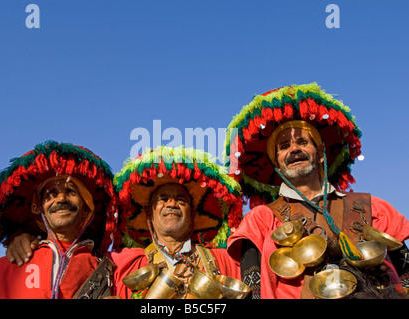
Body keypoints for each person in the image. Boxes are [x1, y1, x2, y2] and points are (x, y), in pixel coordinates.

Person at [223, 83, 409, 299]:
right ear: (277, 163)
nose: (294, 149)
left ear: (321, 154)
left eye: (302, 142)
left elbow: (405, 272)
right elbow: (252, 290)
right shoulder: (260, 220)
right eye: (283, 147)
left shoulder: (374, 207)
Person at [0, 140, 119, 299]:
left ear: (86, 210)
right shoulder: (7, 269)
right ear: (38, 208)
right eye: (51, 194)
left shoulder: (113, 270)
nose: (61, 198)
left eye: (71, 192)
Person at [111, 146, 244, 299]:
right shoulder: (125, 264)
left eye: (181, 199)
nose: (172, 204)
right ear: (149, 214)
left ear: (192, 215)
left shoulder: (223, 260)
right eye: (163, 198)